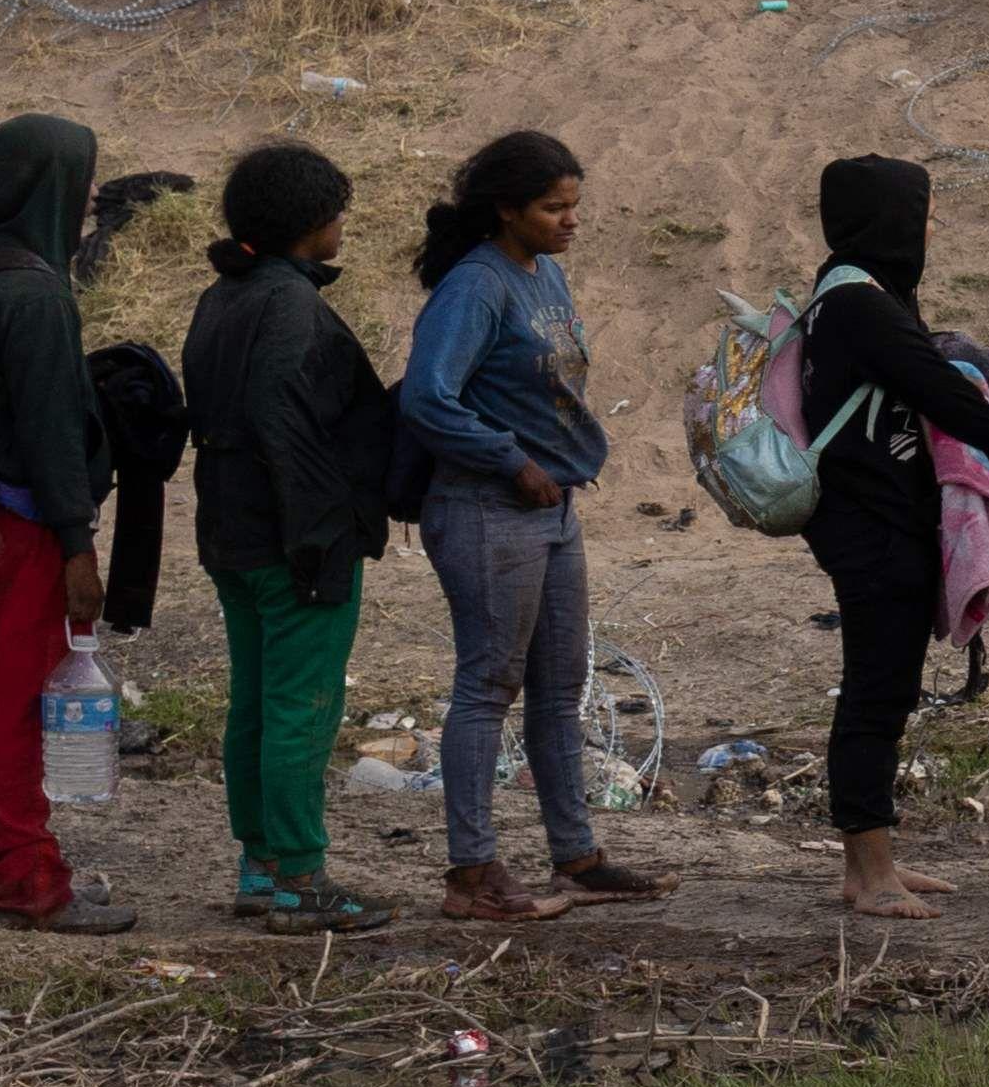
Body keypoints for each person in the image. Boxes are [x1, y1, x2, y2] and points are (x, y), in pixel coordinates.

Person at [394, 126, 660, 924]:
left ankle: (575, 857)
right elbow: (427, 397)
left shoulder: (541, 275)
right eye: (553, 209)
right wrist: (511, 461)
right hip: (488, 508)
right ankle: (470, 874)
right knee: (487, 686)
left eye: (574, 206)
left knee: (558, 685)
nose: (570, 222)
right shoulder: (477, 286)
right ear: (506, 210)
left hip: (550, 508)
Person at [796, 157, 989, 924]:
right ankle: (868, 877)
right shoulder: (857, 305)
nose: (929, 228)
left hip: (877, 518)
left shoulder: (860, 294)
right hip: (865, 525)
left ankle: (874, 865)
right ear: (889, 221)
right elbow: (931, 384)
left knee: (889, 687)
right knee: (876, 690)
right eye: (922, 213)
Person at [182, 139, 396, 938]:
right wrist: (320, 541)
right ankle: (301, 878)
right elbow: (288, 431)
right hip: (292, 541)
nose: (343, 224)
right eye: (337, 212)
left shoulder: (221, 298)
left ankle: (260, 868)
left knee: (257, 704)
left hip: (230, 534)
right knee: (302, 707)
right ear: (312, 224)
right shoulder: (291, 308)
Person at [0, 111, 121, 932]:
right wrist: (79, 550)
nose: (88, 201)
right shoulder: (37, 296)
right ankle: (31, 888)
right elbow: (50, 440)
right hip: (28, 532)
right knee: (16, 716)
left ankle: (4, 877)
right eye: (79, 183)